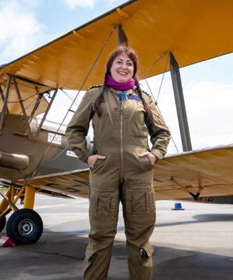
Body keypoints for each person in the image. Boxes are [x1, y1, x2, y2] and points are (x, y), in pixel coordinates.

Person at [66, 46, 171, 280]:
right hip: (104, 174)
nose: (124, 67)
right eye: (119, 62)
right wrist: (87, 156)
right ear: (110, 67)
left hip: (139, 176)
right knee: (100, 238)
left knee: (140, 240)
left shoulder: (143, 98)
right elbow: (74, 130)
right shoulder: (95, 95)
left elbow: (162, 133)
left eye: (129, 63)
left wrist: (154, 154)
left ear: (133, 69)